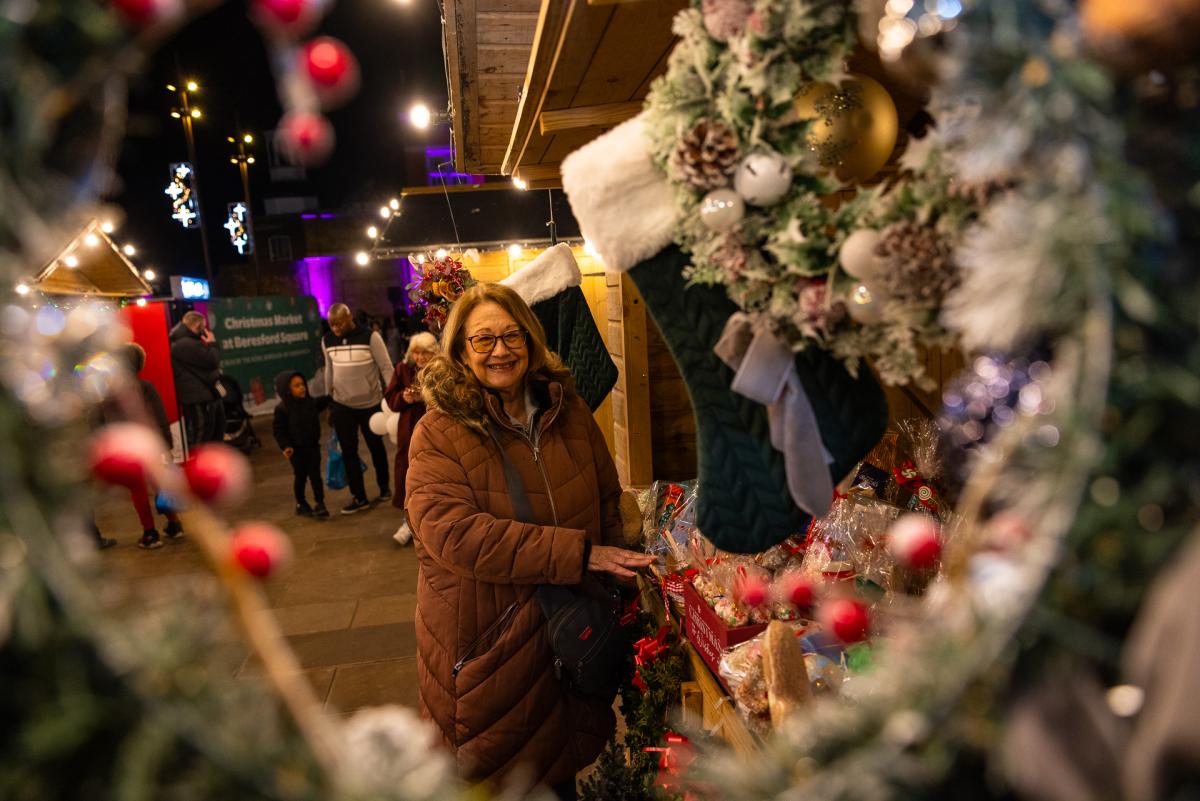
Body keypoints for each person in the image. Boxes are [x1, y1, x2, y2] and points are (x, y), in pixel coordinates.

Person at [405, 283, 654, 797]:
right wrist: (582, 554)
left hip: (567, 636)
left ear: (530, 336)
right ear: (459, 349)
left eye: (512, 334)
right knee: (506, 781)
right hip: (489, 644)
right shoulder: (439, 431)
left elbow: (607, 499)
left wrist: (625, 590)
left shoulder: (569, 410)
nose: (500, 350)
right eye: (483, 339)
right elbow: (454, 534)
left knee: (558, 771)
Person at [105, 343, 186, 549]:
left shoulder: (110, 393)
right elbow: (160, 416)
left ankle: (150, 533)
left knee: (137, 490)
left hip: (128, 448)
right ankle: (174, 524)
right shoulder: (146, 387)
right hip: (152, 445)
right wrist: (166, 444)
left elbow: (108, 424)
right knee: (161, 485)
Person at [322, 303, 393, 514]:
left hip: (370, 403)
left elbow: (386, 367)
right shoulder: (327, 340)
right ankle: (359, 497)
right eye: (331, 325)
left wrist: (391, 397)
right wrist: (330, 400)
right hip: (342, 405)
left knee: (375, 447)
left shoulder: (370, 336)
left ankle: (384, 487)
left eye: (339, 324)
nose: (335, 329)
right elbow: (329, 370)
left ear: (349, 317)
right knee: (348, 451)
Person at [383, 331, 437, 545]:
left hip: (433, 427)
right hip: (408, 428)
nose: (420, 358)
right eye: (416, 353)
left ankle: (431, 520)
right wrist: (403, 398)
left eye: (425, 353)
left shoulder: (440, 369)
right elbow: (391, 399)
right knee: (406, 471)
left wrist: (426, 397)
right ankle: (408, 520)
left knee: (434, 471)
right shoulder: (402, 369)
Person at [272, 371, 331, 518]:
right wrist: (285, 446)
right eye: (296, 386)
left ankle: (320, 503)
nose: (302, 388)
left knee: (316, 475)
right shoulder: (282, 409)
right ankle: (301, 503)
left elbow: (322, 402)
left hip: (312, 447)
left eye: (302, 384)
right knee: (301, 476)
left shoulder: (309, 402)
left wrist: (331, 397)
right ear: (287, 390)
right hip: (296, 451)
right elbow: (279, 431)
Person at [169, 309, 225, 448]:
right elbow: (212, 361)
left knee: (212, 431)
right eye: (203, 327)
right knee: (202, 434)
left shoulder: (187, 342)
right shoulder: (185, 344)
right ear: (197, 326)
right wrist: (212, 343)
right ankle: (200, 465)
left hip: (202, 395)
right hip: (197, 397)